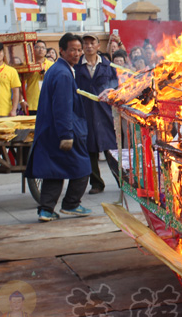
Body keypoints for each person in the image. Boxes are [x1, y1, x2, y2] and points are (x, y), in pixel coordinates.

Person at [25, 33, 92, 222]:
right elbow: (62, 106)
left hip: (50, 129)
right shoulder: (62, 74)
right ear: (62, 50)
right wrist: (66, 134)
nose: (77, 53)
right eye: (72, 50)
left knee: (54, 170)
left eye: (79, 50)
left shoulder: (57, 69)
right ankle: (71, 204)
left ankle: (46, 210)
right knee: (83, 166)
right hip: (62, 130)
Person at [76, 34, 119, 195]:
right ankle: (96, 183)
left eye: (91, 43)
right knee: (89, 149)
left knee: (112, 148)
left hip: (105, 112)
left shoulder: (108, 66)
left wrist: (112, 95)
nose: (88, 46)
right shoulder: (77, 68)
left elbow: (118, 88)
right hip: (85, 111)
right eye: (85, 43)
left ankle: (121, 179)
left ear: (98, 45)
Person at [21, 40, 54, 115]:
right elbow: (20, 85)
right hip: (31, 103)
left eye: (43, 48)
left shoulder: (52, 65)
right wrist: (22, 100)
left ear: (46, 51)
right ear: (33, 49)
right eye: (38, 47)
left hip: (48, 102)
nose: (41, 49)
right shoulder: (28, 65)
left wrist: (47, 75)